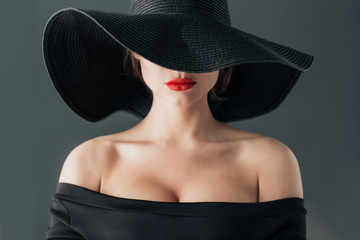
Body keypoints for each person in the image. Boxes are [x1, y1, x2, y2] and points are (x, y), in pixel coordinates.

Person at [43, 0, 314, 239]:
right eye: (160, 47)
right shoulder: (92, 162)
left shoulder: (268, 162)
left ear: (226, 53)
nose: (180, 68)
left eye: (199, 45)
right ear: (134, 51)